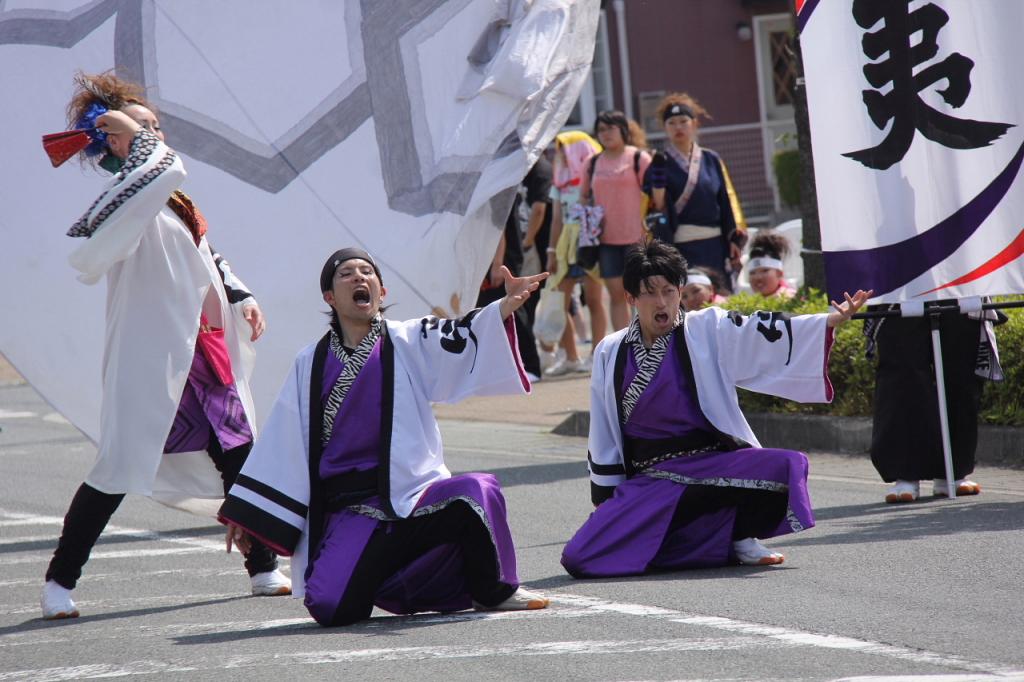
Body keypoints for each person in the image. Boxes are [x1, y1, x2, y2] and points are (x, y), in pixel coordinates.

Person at [41, 72, 287, 621]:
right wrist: (117, 126)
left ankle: (262, 565)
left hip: (204, 351)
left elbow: (209, 255)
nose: (156, 134)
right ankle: (60, 580)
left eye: (153, 125)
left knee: (239, 453)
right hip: (149, 354)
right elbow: (154, 171)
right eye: (141, 128)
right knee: (116, 469)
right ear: (114, 140)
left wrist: (241, 294)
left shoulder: (170, 196)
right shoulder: (122, 199)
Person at [219, 248, 551, 626]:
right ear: (329, 297)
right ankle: (382, 575)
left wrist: (504, 306)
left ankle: (493, 589)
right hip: (352, 509)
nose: (360, 278)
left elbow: (460, 334)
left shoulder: (410, 340)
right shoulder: (309, 362)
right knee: (330, 607)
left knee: (476, 492)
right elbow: (282, 440)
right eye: (346, 274)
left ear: (382, 291)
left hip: (412, 496)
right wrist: (246, 512)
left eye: (367, 272)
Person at [561, 240, 870, 578]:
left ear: (680, 292)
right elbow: (604, 428)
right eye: (650, 293)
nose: (662, 302)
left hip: (713, 463)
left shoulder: (706, 329)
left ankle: (736, 534)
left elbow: (760, 330)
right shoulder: (610, 350)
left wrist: (825, 322)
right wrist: (607, 497)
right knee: (580, 557)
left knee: (787, 466)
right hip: (650, 480)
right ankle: (717, 542)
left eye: (669, 290)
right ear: (632, 299)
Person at [864, 306, 1003, 502]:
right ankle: (906, 474)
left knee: (961, 373)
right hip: (898, 290)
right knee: (903, 376)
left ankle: (952, 472)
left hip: (958, 285)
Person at [644, 93, 747, 291]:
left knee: (720, 297)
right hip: (679, 246)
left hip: (714, 246)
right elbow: (656, 208)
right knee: (687, 301)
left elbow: (726, 199)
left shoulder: (711, 159)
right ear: (665, 128)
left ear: (695, 123)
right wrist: (657, 184)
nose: (678, 127)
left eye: (683, 121)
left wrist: (733, 237)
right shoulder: (659, 163)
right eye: (672, 123)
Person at [581, 111, 652, 331]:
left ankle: (650, 342)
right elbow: (583, 197)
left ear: (623, 129)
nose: (606, 133)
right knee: (616, 295)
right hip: (606, 240)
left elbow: (654, 198)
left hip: (639, 238)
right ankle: (624, 343)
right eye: (601, 129)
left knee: (644, 293)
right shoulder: (592, 162)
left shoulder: (639, 158)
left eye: (610, 128)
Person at [544, 131, 608, 375]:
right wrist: (551, 251)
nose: (558, 154)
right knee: (561, 300)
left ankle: (597, 354)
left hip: (591, 243)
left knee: (594, 300)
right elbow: (556, 220)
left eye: (563, 148)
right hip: (565, 247)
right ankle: (571, 356)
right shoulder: (559, 181)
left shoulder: (595, 177)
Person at [747, 230, 796, 299]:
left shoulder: (790, 300)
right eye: (752, 273)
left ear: (779, 273)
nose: (758, 277)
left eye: (765, 271)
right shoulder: (748, 303)